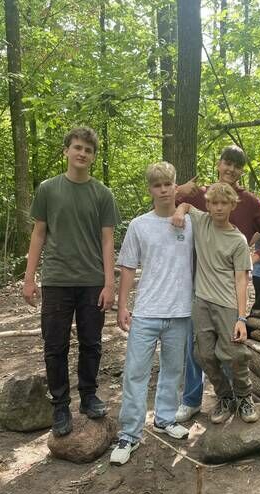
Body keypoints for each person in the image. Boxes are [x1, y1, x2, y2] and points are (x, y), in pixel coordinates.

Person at [174, 145, 260, 422]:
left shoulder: (249, 202)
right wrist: (179, 193)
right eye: (227, 163)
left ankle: (238, 398)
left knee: (230, 349)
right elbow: (165, 204)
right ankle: (193, 399)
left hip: (230, 288)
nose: (231, 169)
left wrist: (253, 258)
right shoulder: (201, 194)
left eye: (237, 166)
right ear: (218, 163)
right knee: (199, 349)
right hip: (198, 282)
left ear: (241, 172)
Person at [23, 127, 120, 437]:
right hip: (56, 280)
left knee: (92, 343)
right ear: (66, 150)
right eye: (77, 147)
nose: (82, 153)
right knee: (55, 345)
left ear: (93, 156)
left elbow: (107, 240)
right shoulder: (48, 189)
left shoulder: (102, 194)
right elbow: (39, 234)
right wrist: (29, 278)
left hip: (92, 280)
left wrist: (109, 283)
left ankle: (89, 396)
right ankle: (60, 405)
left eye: (88, 150)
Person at [110, 162, 193, 466]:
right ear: (150, 190)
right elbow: (128, 267)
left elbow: (216, 208)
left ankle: (165, 418)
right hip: (145, 311)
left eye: (168, 184)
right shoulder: (139, 225)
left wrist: (184, 207)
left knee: (173, 370)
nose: (163, 190)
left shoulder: (191, 224)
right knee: (135, 373)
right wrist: (122, 306)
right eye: (157, 185)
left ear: (175, 186)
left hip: (180, 311)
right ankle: (129, 434)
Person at [172, 183, 258, 424]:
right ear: (208, 205)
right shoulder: (202, 221)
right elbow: (186, 205)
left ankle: (244, 396)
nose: (219, 208)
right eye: (214, 203)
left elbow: (241, 280)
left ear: (232, 206)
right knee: (203, 354)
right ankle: (225, 396)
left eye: (224, 203)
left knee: (235, 354)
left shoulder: (238, 240)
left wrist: (241, 318)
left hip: (228, 304)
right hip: (201, 302)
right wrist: (179, 211)